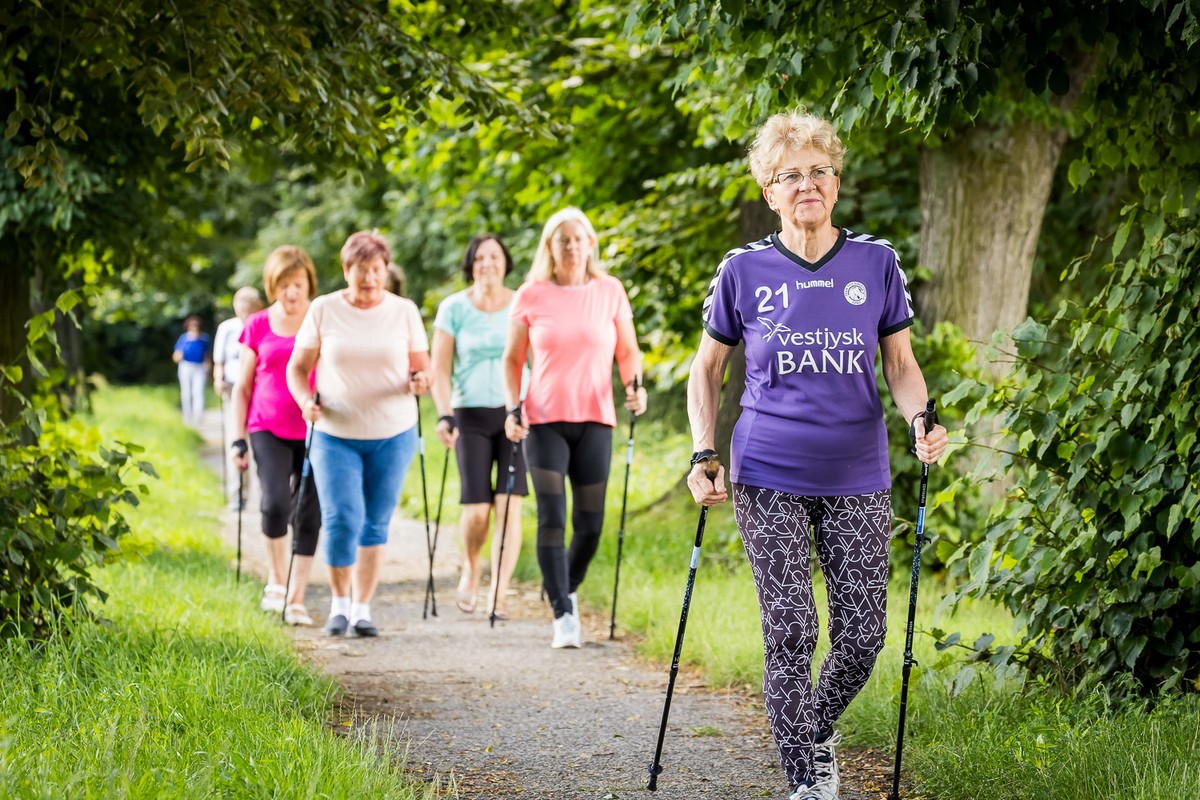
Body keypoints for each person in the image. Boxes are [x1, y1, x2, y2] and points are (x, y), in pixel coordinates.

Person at [684, 110, 949, 800]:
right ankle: (806, 778)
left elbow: (900, 363)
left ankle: (811, 727)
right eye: (791, 175)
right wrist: (702, 451)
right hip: (767, 470)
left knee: (863, 636)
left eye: (820, 172)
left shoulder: (876, 262)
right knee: (793, 627)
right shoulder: (742, 270)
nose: (808, 185)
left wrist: (922, 416)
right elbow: (706, 369)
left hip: (857, 471)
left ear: (837, 183)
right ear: (769, 191)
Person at [502, 207, 647, 649]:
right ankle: (563, 612)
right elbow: (512, 359)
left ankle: (563, 583)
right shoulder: (531, 293)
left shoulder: (610, 290)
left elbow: (629, 352)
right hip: (543, 420)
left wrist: (634, 386)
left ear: (590, 245)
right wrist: (513, 406)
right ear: (550, 246)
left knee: (590, 524)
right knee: (552, 516)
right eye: (562, 240)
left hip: (596, 419)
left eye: (578, 239)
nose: (571, 247)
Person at [287, 230, 430, 638]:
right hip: (334, 431)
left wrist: (420, 381)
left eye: (377, 270)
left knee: (375, 522)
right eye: (362, 270)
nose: (370, 279)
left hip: (393, 431)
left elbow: (424, 368)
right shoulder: (324, 309)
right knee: (340, 517)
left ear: (387, 271)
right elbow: (297, 369)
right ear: (346, 270)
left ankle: (363, 609)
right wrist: (303, 401)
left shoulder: (404, 311)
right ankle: (339, 605)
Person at [432, 235, 528, 618]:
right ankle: (472, 568)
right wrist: (444, 413)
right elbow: (439, 368)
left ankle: (499, 593)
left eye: (495, 257)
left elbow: (538, 357)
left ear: (505, 262)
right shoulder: (453, 308)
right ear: (470, 265)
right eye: (480, 258)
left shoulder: (522, 302)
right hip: (468, 413)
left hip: (513, 414)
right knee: (477, 511)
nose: (487, 263)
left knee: (509, 506)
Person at [230, 248, 321, 626]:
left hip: (315, 428)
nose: (292, 293)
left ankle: (297, 597)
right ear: (273, 286)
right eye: (284, 285)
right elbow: (242, 388)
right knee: (274, 505)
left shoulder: (321, 319)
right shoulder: (257, 324)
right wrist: (237, 439)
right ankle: (276, 581)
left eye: (298, 285)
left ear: (308, 285)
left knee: (309, 513)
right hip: (266, 426)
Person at [214, 286, 264, 506]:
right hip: (233, 388)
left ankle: (265, 493)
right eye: (240, 303)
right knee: (237, 440)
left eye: (248, 304)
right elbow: (219, 360)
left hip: (258, 390)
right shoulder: (227, 328)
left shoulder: (263, 324)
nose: (243, 308)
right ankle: (238, 494)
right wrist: (218, 380)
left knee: (260, 442)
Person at [172, 315, 210, 426]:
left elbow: (207, 355)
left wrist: (208, 367)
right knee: (186, 392)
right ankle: (187, 416)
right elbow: (176, 355)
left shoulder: (204, 339)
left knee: (198, 392)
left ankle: (198, 415)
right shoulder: (184, 339)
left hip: (199, 366)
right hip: (186, 366)